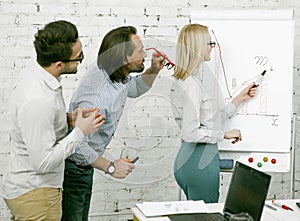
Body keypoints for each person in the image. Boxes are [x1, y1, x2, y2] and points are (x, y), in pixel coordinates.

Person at [2, 20, 104, 221]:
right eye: (79, 58)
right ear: (59, 64)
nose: (81, 61)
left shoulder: (37, 76)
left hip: (30, 192)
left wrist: (68, 120)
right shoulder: (39, 100)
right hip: (36, 196)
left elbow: (39, 126)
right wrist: (80, 132)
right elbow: (43, 163)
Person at [61, 26, 164, 220]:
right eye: (140, 51)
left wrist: (153, 70)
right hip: (73, 168)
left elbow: (132, 88)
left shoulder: (114, 73)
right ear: (125, 59)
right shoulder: (98, 99)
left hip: (84, 165)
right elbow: (77, 147)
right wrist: (111, 167)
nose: (146, 54)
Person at [170, 24, 258, 203]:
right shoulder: (192, 85)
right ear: (197, 46)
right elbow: (190, 132)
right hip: (199, 163)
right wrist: (224, 134)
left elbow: (210, 120)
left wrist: (239, 99)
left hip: (192, 160)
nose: (212, 46)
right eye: (209, 43)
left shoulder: (191, 80)